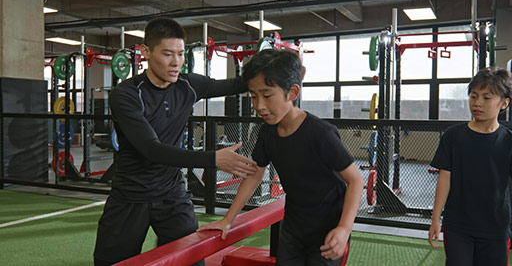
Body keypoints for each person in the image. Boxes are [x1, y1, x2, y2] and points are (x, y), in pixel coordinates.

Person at [93, 17, 257, 266]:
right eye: (168, 54)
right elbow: (151, 149)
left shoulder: (189, 85)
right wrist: (214, 159)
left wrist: (278, 68)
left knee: (192, 260)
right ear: (146, 52)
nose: (176, 62)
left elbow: (239, 83)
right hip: (130, 196)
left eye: (181, 54)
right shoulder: (126, 95)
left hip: (172, 195)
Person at [198, 49, 364, 266]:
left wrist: (343, 229)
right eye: (254, 96)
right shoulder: (267, 132)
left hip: (329, 229)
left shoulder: (320, 133)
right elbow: (254, 174)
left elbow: (356, 180)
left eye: (267, 96)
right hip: (294, 228)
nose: (259, 105)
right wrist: (228, 220)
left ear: (292, 93)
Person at [428, 66, 512, 265]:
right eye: (473, 96)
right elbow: (444, 178)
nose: (477, 103)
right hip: (459, 226)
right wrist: (435, 218)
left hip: (496, 228)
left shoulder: (508, 141)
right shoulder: (453, 136)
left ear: (504, 104)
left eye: (486, 97)